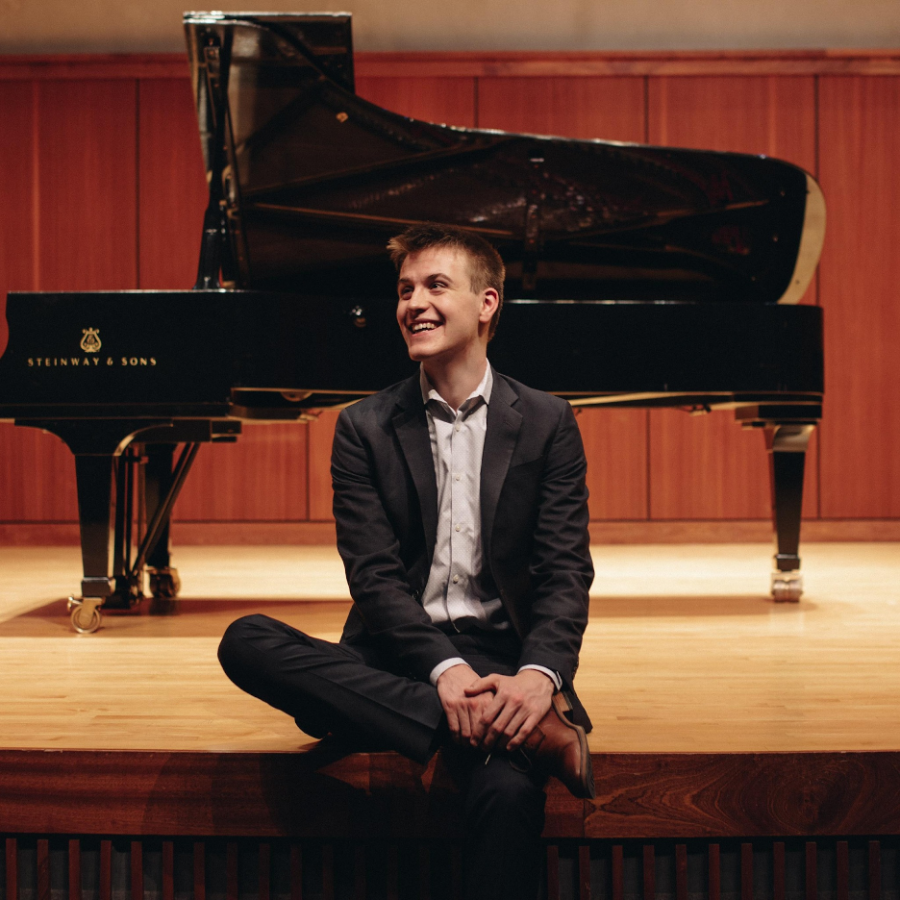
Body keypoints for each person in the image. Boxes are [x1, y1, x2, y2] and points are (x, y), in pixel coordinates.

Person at [218, 223, 595, 900]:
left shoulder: (546, 421)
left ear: (487, 304)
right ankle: (500, 729)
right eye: (404, 290)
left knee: (508, 800)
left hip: (501, 664)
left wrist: (540, 678)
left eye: (435, 286)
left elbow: (565, 571)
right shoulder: (364, 426)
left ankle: (497, 721)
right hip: (394, 656)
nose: (412, 303)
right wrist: (443, 674)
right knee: (245, 640)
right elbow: (373, 577)